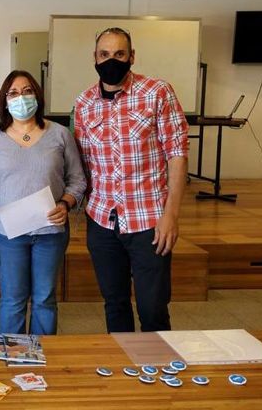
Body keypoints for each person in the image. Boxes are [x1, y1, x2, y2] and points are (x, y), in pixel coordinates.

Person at [74, 27, 189, 333]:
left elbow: (177, 154)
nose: (111, 60)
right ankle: (122, 362)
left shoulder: (157, 92)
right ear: (95, 58)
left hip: (149, 221)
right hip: (102, 220)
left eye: (119, 54)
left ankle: (158, 361)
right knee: (115, 304)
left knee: (153, 309)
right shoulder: (84, 102)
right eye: (104, 54)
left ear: (132, 57)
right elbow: (83, 162)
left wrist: (171, 215)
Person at [0, 71, 86, 335]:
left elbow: (78, 180)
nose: (21, 98)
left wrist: (66, 204)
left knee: (44, 299)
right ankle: (12, 353)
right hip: (8, 235)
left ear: (37, 95)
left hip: (50, 233)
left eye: (27, 91)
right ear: (4, 100)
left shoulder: (60, 134)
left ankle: (42, 354)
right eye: (13, 93)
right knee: (12, 300)